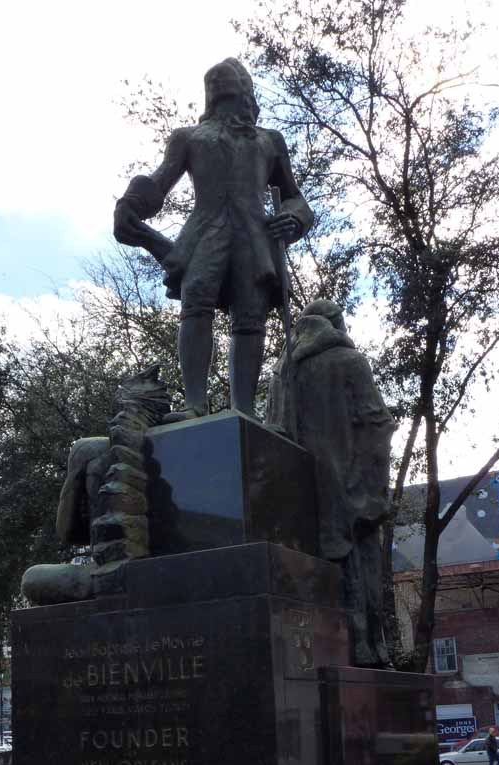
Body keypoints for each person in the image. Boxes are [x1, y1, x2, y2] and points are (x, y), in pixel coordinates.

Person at [114, 58, 314, 419]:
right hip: (205, 232)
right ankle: (194, 404)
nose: (230, 105)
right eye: (222, 96)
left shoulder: (270, 141)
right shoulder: (189, 138)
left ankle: (245, 410)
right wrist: (131, 203)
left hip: (254, 236)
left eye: (234, 95)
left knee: (250, 317)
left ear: (247, 97)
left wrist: (293, 219)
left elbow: (295, 197)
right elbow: (157, 186)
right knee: (196, 303)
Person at [266, 300, 396, 666]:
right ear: (337, 324)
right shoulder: (350, 362)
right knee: (360, 569)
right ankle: (366, 650)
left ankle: (326, 655)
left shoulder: (284, 372)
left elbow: (273, 428)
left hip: (300, 493)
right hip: (349, 486)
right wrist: (372, 487)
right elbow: (376, 423)